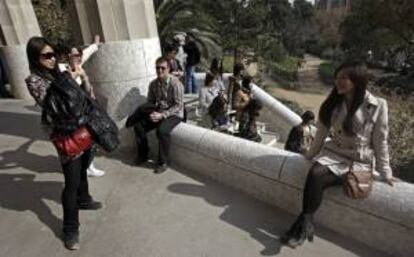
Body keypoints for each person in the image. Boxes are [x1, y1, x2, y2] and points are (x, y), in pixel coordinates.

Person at [281, 61, 396, 248]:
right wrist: (309, 155)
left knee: (317, 181)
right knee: (315, 173)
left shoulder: (378, 105)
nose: (338, 82)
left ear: (357, 80)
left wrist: (386, 171)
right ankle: (306, 223)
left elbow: (380, 141)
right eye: (337, 78)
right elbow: (320, 135)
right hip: (335, 152)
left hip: (360, 159)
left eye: (344, 78)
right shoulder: (333, 104)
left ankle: (301, 225)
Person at [25, 37, 102, 250]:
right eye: (46, 56)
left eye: (53, 55)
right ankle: (70, 229)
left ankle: (85, 198)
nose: (51, 59)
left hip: (82, 127)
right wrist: (69, 78)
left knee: (85, 165)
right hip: (64, 134)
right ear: (35, 58)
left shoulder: (59, 71)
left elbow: (78, 94)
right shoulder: (34, 80)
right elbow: (51, 103)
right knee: (71, 180)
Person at [126, 57, 184, 174]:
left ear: (168, 69)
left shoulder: (176, 84)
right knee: (139, 127)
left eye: (163, 68)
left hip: (174, 114)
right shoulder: (153, 84)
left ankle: (163, 162)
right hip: (159, 111)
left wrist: (163, 115)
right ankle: (143, 155)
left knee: (162, 131)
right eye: (158, 68)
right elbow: (151, 102)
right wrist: (153, 113)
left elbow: (178, 105)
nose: (160, 70)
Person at [58, 36, 106, 178]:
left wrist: (95, 44)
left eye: (79, 55)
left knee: (91, 139)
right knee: (81, 140)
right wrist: (74, 75)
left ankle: (88, 165)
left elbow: (87, 53)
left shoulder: (79, 65)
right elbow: (62, 88)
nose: (79, 57)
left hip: (85, 111)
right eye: (76, 55)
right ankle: (84, 167)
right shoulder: (61, 69)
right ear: (68, 56)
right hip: (70, 114)